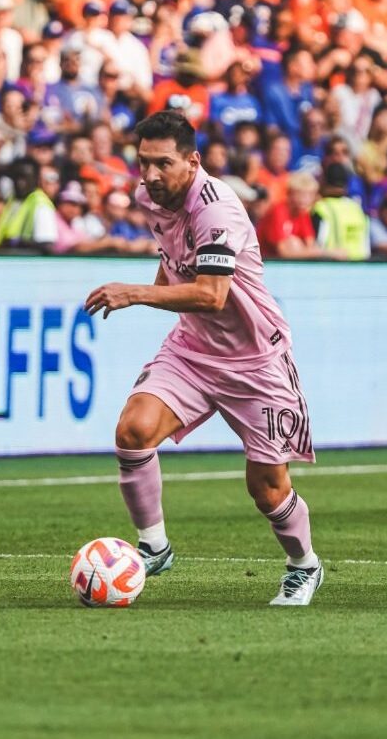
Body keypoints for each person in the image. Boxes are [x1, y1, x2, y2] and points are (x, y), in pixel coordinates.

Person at [84, 110, 324, 606]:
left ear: (193, 162)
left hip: (255, 360)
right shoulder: (150, 195)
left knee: (267, 487)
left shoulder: (218, 210)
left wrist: (135, 295)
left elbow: (214, 294)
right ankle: (153, 546)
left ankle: (304, 565)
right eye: (143, 163)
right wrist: (157, 282)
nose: (150, 175)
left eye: (163, 164)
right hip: (194, 348)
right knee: (133, 431)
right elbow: (172, 253)